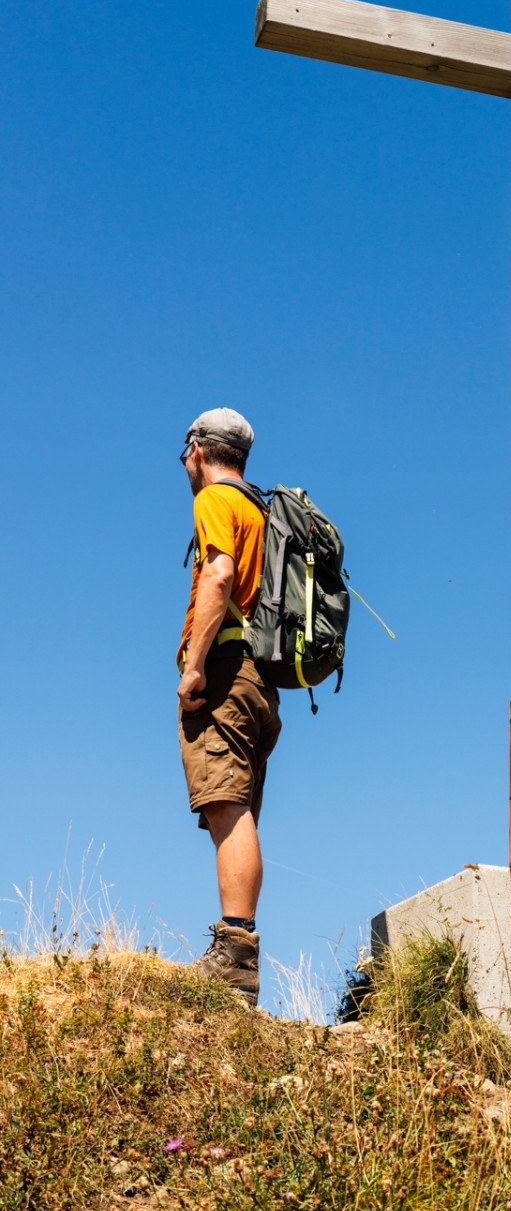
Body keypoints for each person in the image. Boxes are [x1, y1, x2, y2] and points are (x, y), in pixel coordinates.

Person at [176, 407, 280, 1008]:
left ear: (197, 449)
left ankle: (235, 953)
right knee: (235, 810)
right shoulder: (261, 512)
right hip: (261, 681)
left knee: (226, 807)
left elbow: (219, 577)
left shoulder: (217, 500)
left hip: (227, 672)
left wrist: (193, 664)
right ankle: (235, 952)